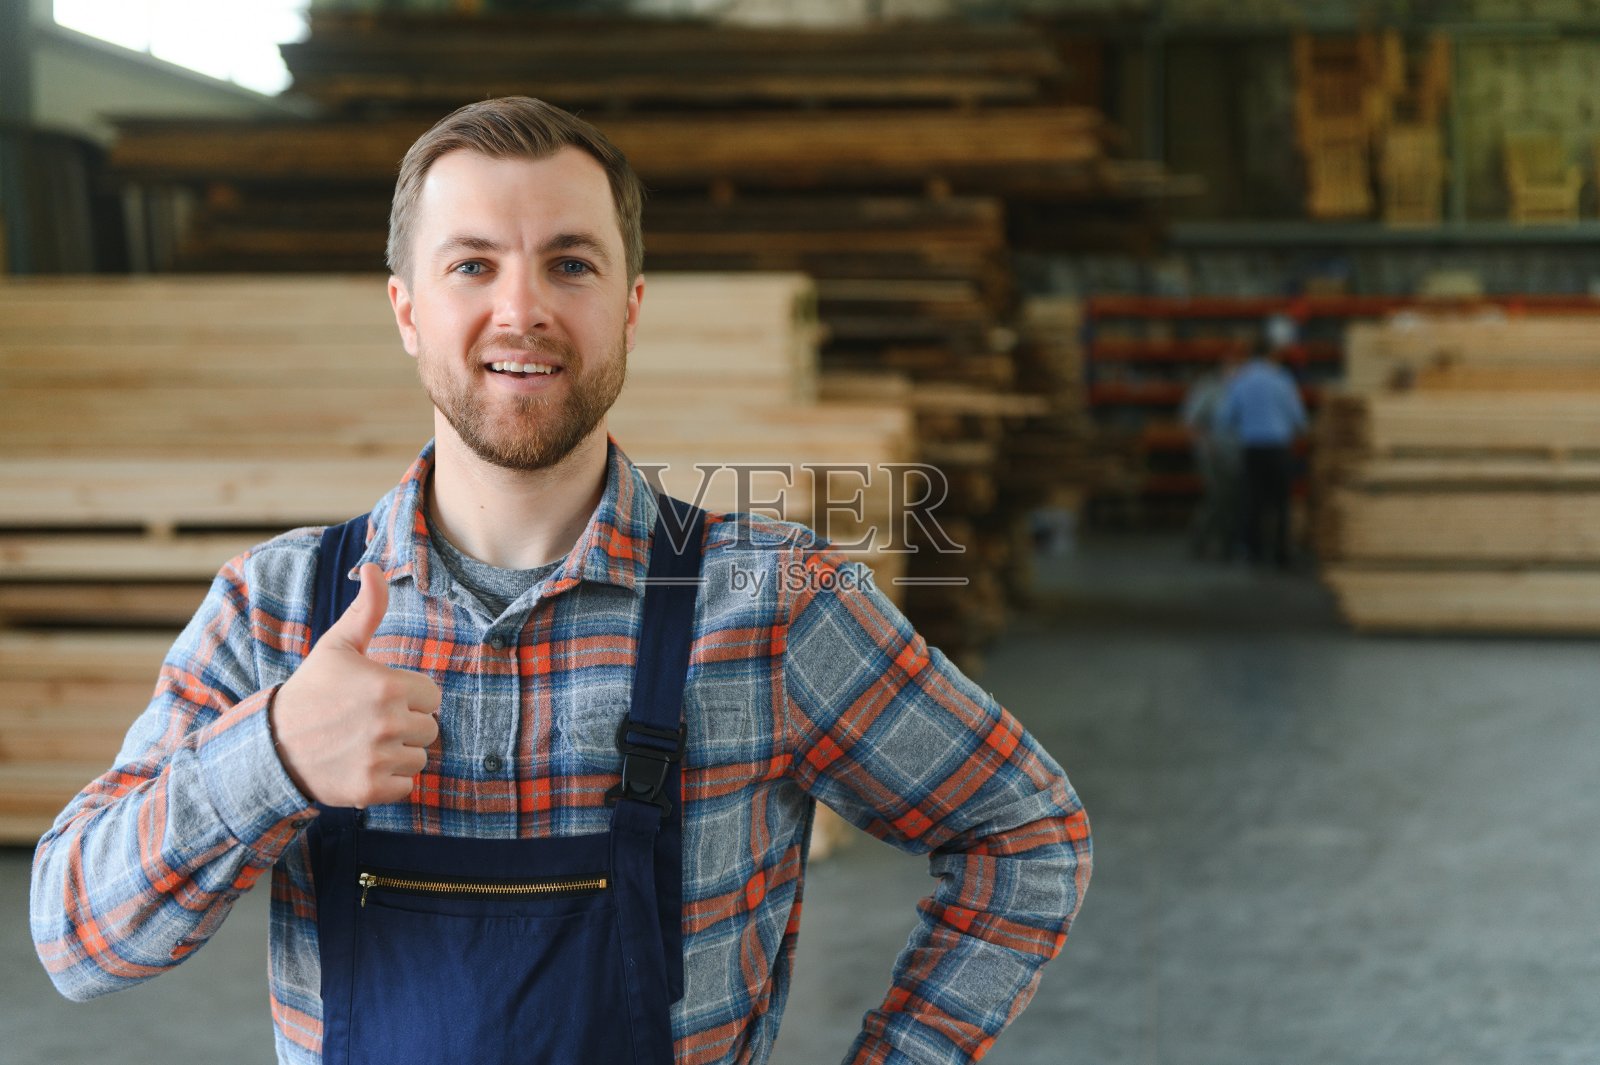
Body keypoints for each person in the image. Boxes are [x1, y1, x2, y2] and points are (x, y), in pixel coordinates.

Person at [30, 97, 1091, 1065]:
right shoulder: (279, 608)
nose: (522, 309)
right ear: (405, 310)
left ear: (630, 305)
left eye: (570, 264)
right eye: (473, 265)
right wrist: (268, 757)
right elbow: (75, 941)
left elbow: (1027, 832)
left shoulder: (776, 605)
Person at [1220, 315, 1309, 569]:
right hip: (1278, 448)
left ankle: (1252, 551)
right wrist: (1302, 433)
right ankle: (1281, 553)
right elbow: (1298, 418)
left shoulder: (1241, 379)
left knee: (1252, 501)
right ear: (1274, 354)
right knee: (1281, 502)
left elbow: (1225, 417)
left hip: (1252, 448)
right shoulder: (1282, 381)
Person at [1180, 349, 1243, 560]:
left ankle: (1227, 544)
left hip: (1235, 454)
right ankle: (1199, 540)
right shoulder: (1209, 388)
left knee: (1233, 499)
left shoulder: (1240, 389)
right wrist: (1205, 446)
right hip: (1212, 453)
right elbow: (1192, 421)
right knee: (1216, 497)